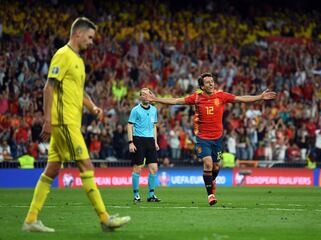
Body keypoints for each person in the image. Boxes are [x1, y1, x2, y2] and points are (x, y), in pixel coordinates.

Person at [22, 17, 130, 233]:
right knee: (87, 166)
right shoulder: (63, 55)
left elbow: (78, 91)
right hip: (64, 123)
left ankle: (31, 220)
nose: (92, 42)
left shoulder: (79, 61)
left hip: (71, 121)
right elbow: (48, 88)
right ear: (78, 34)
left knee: (52, 169)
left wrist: (92, 107)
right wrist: (47, 120)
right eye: (90, 37)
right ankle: (104, 218)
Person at [142, 72, 276, 206]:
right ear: (202, 86)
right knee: (208, 163)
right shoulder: (196, 98)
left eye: (212, 81)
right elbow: (176, 101)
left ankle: (212, 181)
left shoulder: (221, 96)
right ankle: (210, 195)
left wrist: (260, 97)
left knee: (217, 166)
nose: (211, 84)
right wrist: (156, 99)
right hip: (202, 138)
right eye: (208, 82)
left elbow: (241, 98)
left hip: (217, 139)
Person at [127, 88, 161, 203]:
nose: (146, 96)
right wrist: (131, 142)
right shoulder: (135, 110)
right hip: (139, 140)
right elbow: (129, 126)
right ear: (140, 97)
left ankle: (151, 195)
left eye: (148, 94)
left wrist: (155, 141)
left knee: (154, 168)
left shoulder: (154, 110)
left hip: (150, 140)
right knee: (138, 167)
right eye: (144, 94)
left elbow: (154, 126)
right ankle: (136, 195)